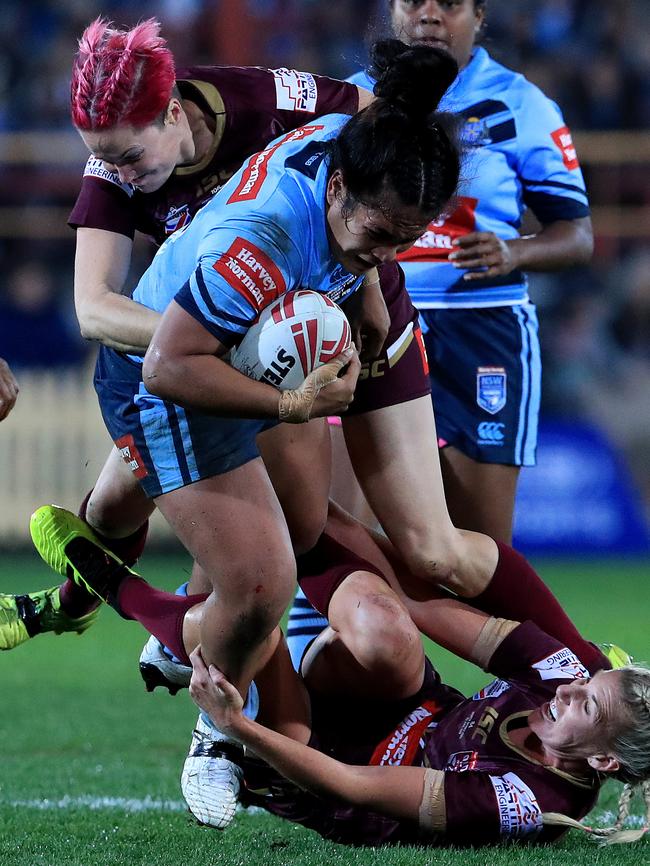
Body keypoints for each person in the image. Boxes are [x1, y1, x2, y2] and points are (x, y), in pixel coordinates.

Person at [29, 502, 650, 845]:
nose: (568, 689)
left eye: (586, 707)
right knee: (386, 627)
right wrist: (305, 512)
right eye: (584, 685)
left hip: (328, 768)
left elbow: (350, 785)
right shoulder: (567, 676)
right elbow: (421, 605)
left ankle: (114, 584)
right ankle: (241, 499)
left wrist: (237, 727)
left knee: (256, 616)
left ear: (600, 763)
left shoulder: (528, 802)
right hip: (393, 697)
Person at [287, 0, 595, 661]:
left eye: (449, 1)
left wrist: (514, 252)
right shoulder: (354, 102)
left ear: (479, 17)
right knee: (322, 529)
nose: (429, 12)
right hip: (361, 319)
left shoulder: (521, 104)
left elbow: (578, 235)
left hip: (481, 332)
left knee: (472, 553)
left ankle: (531, 692)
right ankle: (307, 715)